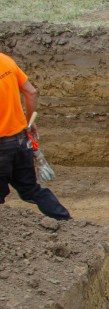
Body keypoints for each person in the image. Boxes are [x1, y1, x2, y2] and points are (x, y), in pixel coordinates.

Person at [0, 53, 70, 220]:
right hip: (20, 141)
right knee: (31, 190)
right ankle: (66, 221)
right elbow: (31, 92)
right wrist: (29, 123)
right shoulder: (5, 60)